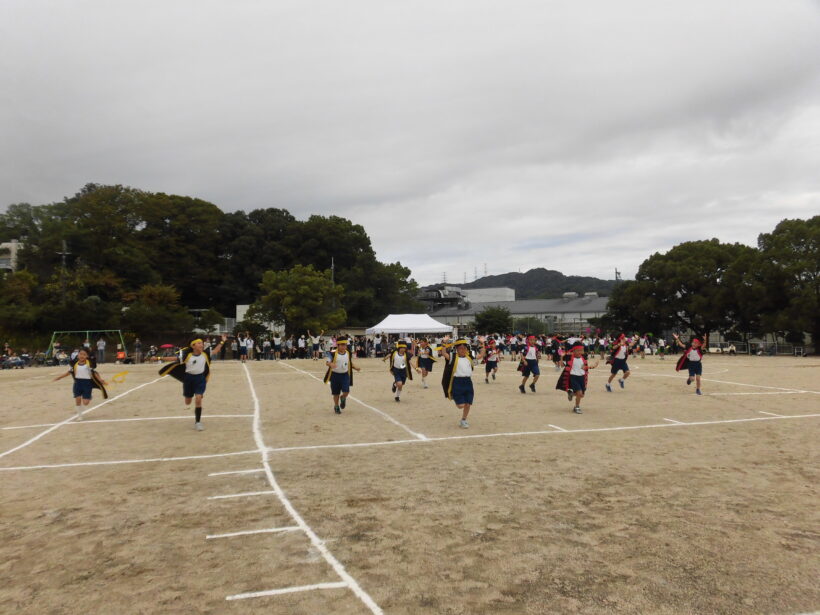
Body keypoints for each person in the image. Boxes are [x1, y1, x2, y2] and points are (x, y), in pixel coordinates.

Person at [159, 334, 227, 430]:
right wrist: (159, 358)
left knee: (198, 398)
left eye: (202, 343)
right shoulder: (187, 355)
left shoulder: (205, 354)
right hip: (188, 379)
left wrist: (223, 341)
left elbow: (216, 350)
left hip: (200, 379)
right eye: (199, 343)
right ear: (193, 346)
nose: (202, 345)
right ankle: (191, 396)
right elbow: (174, 359)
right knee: (188, 402)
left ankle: (198, 422)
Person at [53, 349, 108, 421]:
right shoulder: (74, 365)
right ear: (78, 355)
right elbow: (68, 373)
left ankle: (89, 397)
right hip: (77, 384)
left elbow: (95, 373)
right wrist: (59, 377)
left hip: (87, 384)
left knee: (85, 403)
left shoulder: (88, 364)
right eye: (80, 354)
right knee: (78, 400)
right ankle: (80, 416)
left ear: (87, 356)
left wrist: (100, 379)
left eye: (84, 354)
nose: (82, 356)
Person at [441, 338, 485, 428]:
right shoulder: (453, 357)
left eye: (464, 348)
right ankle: (454, 396)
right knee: (461, 405)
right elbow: (444, 353)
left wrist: (482, 343)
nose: (463, 350)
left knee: (468, 403)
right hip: (457, 382)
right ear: (456, 349)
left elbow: (481, 355)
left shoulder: (470, 357)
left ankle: (463, 420)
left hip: (468, 382)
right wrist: (444, 342)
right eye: (460, 348)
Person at [556, 341, 600, 414]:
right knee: (579, 393)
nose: (580, 352)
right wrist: (561, 357)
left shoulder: (583, 358)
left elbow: (584, 367)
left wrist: (594, 366)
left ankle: (571, 393)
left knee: (581, 395)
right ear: (573, 351)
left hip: (582, 378)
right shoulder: (569, 358)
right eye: (578, 350)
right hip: (573, 377)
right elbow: (562, 365)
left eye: (581, 350)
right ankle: (577, 407)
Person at [323, 336, 361, 414]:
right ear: (338, 345)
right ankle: (336, 406)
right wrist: (330, 364)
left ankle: (343, 397)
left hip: (345, 375)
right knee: (335, 393)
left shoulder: (348, 353)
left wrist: (355, 368)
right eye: (342, 345)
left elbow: (349, 363)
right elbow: (327, 362)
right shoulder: (332, 353)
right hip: (335, 376)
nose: (344, 347)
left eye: (345, 345)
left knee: (346, 391)